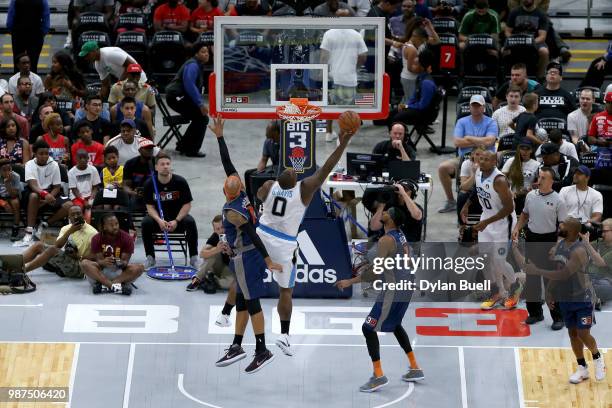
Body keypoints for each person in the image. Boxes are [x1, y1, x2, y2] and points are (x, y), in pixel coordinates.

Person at [255, 117, 357, 357]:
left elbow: (259, 193)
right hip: (284, 244)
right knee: (286, 291)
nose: (291, 167)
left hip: (261, 236)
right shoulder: (303, 189)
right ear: (290, 180)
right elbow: (325, 169)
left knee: (244, 278)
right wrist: (342, 144)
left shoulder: (269, 185)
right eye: (289, 169)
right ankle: (284, 335)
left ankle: (228, 314)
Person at [210, 116, 282, 374]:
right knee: (241, 300)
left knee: (252, 303)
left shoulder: (232, 211)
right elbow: (227, 162)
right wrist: (219, 136)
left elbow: (252, 234)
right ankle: (237, 345)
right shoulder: (241, 193)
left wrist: (267, 261)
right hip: (242, 254)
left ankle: (262, 350)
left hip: (247, 256)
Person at [336, 207, 423, 392]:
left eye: (387, 212)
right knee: (396, 324)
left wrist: (350, 281)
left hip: (393, 291)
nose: (383, 213)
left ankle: (378, 375)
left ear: (390, 219)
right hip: (405, 287)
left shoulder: (386, 240)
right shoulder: (401, 235)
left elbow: (374, 274)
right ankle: (415, 367)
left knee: (368, 328)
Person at [513, 217, 606, 383]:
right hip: (565, 297)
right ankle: (582, 368)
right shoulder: (560, 247)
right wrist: (549, 292)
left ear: (572, 231)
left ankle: (598, 358)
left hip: (582, 298)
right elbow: (559, 270)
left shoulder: (578, 251)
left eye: (563, 225)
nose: (560, 226)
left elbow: (564, 274)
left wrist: (538, 270)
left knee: (584, 334)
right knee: (572, 334)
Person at [460, 151, 522, 309]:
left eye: (487, 159)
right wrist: (466, 205)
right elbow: (478, 189)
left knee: (499, 261)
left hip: (503, 223)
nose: (482, 161)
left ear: (495, 161)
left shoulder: (500, 180)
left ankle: (515, 286)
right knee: (486, 258)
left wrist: (487, 222)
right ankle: (497, 292)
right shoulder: (480, 171)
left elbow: (509, 208)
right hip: (487, 218)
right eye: (480, 158)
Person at [511, 167, 566, 329]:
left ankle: (558, 317)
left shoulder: (558, 200)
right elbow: (525, 214)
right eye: (539, 177)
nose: (539, 180)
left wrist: (558, 245)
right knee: (532, 278)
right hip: (532, 238)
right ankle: (535, 313)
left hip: (549, 241)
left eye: (543, 178)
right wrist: (517, 228)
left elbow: (562, 226)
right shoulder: (530, 195)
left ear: (551, 181)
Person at [438, 94, 498, 213]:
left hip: (486, 159)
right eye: (473, 106)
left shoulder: (491, 122)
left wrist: (469, 138)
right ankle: (451, 201)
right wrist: (481, 141)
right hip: (464, 159)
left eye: (478, 106)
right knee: (442, 168)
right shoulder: (462, 121)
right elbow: (457, 142)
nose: (476, 108)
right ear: (470, 107)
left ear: (483, 107)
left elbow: (490, 141)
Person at [142, 153, 200, 269]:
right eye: (162, 164)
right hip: (159, 221)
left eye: (168, 164)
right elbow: (150, 207)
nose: (165, 166)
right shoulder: (150, 184)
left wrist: (177, 221)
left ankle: (194, 257)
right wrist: (159, 220)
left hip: (177, 219)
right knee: (146, 223)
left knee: (190, 222)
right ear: (156, 167)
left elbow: (187, 204)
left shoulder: (180, 182)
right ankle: (150, 257)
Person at [16, 140, 73, 247]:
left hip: (51, 192)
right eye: (41, 154)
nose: (44, 156)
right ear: (35, 154)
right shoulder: (29, 164)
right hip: (33, 191)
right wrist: (44, 195)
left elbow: (56, 187)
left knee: (69, 205)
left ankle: (45, 223)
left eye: (46, 153)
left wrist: (48, 197)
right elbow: (32, 185)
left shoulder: (54, 164)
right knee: (34, 196)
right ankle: (29, 231)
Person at [319, 25, 368, 142]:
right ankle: (344, 135)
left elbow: (323, 56)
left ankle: (329, 132)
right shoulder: (356, 35)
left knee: (330, 105)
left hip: (332, 76)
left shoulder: (329, 33)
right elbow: (363, 56)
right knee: (348, 109)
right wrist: (355, 68)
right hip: (348, 77)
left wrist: (322, 72)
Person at [23, 205, 97, 280]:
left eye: (78, 213)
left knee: (52, 250)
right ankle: (15, 264)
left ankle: (23, 271)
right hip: (66, 258)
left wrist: (78, 256)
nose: (76, 216)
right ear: (69, 217)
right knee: (38, 245)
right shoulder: (66, 228)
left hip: (79, 266)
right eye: (73, 214)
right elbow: (57, 245)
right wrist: (69, 232)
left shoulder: (92, 233)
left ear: (83, 215)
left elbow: (96, 257)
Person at [188, 215, 237, 328]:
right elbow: (202, 254)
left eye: (222, 227)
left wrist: (230, 251)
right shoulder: (216, 237)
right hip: (219, 265)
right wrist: (217, 249)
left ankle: (211, 279)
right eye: (218, 229)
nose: (221, 230)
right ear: (214, 230)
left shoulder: (235, 234)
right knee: (211, 254)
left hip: (230, 269)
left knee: (230, 285)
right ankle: (197, 279)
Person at [81, 213, 144, 295]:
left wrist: (120, 262)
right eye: (111, 225)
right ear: (104, 227)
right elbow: (99, 261)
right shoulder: (96, 238)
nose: (115, 227)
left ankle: (104, 286)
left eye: (116, 224)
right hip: (101, 273)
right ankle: (115, 287)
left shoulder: (127, 238)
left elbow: (125, 262)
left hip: (119, 273)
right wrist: (103, 262)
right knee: (84, 263)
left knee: (140, 267)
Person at [165, 42, 211, 157]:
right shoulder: (193, 65)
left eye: (207, 52)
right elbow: (189, 85)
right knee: (202, 118)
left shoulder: (197, 64)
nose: (207, 54)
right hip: (176, 97)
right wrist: (200, 104)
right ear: (196, 54)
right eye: (203, 52)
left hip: (179, 96)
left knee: (200, 118)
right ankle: (191, 150)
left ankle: (184, 145)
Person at [78, 41, 147, 100]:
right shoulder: (97, 65)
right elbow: (105, 84)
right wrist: (99, 98)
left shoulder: (109, 54)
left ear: (95, 50)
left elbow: (132, 65)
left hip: (138, 80)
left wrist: (119, 84)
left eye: (87, 55)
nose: (86, 58)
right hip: (126, 84)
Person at [389, 49, 440, 128]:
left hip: (424, 114)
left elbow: (422, 105)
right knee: (392, 113)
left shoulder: (427, 83)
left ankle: (402, 138)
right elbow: (413, 98)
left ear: (423, 67)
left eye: (416, 65)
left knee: (396, 118)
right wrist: (404, 106)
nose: (412, 67)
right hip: (416, 109)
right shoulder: (419, 78)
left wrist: (406, 107)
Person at [504, 0, 549, 79]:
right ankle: (506, 76)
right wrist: (512, 39)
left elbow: (542, 36)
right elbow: (507, 31)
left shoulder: (541, 14)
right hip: (516, 41)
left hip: (534, 41)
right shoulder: (514, 12)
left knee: (544, 51)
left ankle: (540, 77)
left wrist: (530, 42)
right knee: (503, 51)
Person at [7, 0, 50, 73]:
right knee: (33, 62)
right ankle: (32, 82)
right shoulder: (43, 1)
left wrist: (12, 31)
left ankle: (17, 81)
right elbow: (46, 17)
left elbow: (10, 17)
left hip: (18, 34)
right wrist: (42, 33)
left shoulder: (15, 0)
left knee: (18, 61)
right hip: (36, 34)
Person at [502, 138, 539, 214]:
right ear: (519, 149)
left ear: (531, 150)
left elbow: (539, 183)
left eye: (527, 149)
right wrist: (509, 192)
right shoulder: (511, 161)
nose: (524, 151)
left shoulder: (536, 165)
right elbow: (502, 179)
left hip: (526, 195)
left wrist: (532, 188)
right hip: (511, 195)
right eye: (522, 148)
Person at [583, 218, 612, 305]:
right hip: (590, 277)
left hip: (606, 280)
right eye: (601, 230)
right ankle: (591, 296)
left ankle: (588, 295)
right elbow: (580, 248)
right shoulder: (599, 242)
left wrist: (587, 244)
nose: (602, 234)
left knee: (605, 288)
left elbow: (600, 262)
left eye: (605, 231)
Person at [123, 139, 157, 213]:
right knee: (130, 202)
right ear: (140, 150)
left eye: (151, 148)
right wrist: (132, 192)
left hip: (154, 195)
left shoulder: (158, 163)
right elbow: (125, 185)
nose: (149, 150)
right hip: (136, 195)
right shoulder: (130, 164)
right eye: (146, 148)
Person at [68, 149, 101, 219]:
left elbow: (95, 187)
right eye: (80, 158)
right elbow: (74, 190)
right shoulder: (71, 172)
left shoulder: (93, 169)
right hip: (77, 196)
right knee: (78, 208)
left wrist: (91, 199)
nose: (82, 160)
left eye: (84, 157)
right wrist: (83, 201)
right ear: (76, 159)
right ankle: (78, 225)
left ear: (88, 158)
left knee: (99, 206)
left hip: (90, 195)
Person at [456, 146, 486, 224]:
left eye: (482, 155)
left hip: (484, 192)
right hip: (471, 192)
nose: (479, 157)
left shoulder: (488, 164)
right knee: (462, 194)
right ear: (472, 155)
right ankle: (462, 225)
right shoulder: (466, 164)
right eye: (477, 154)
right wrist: (474, 174)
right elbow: (464, 187)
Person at [0, 159, 23, 240]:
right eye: (4, 170)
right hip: (1, 198)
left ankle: (15, 227)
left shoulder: (16, 176)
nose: (7, 172)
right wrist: (3, 203)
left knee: (16, 203)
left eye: (9, 169)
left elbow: (14, 195)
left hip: (12, 196)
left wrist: (7, 183)